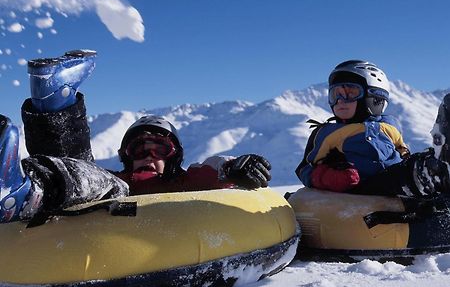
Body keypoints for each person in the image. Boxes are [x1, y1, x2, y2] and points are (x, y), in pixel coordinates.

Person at [0, 50, 271, 223]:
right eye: (139, 149)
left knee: (107, 186)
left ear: (174, 157)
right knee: (92, 177)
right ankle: (54, 99)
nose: (149, 157)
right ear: (126, 157)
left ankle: (27, 191)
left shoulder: (186, 181)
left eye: (160, 149)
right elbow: (88, 178)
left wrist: (235, 165)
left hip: (170, 232)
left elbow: (214, 167)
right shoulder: (119, 181)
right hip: (102, 215)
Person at [295, 60, 450, 198]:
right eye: (335, 95)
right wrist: (330, 177)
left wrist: (409, 159)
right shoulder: (327, 132)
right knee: (416, 172)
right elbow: (305, 168)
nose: (340, 101)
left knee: (425, 162)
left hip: (395, 184)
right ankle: (431, 173)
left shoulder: (390, 125)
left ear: (375, 98)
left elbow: (402, 151)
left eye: (350, 93)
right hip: (361, 188)